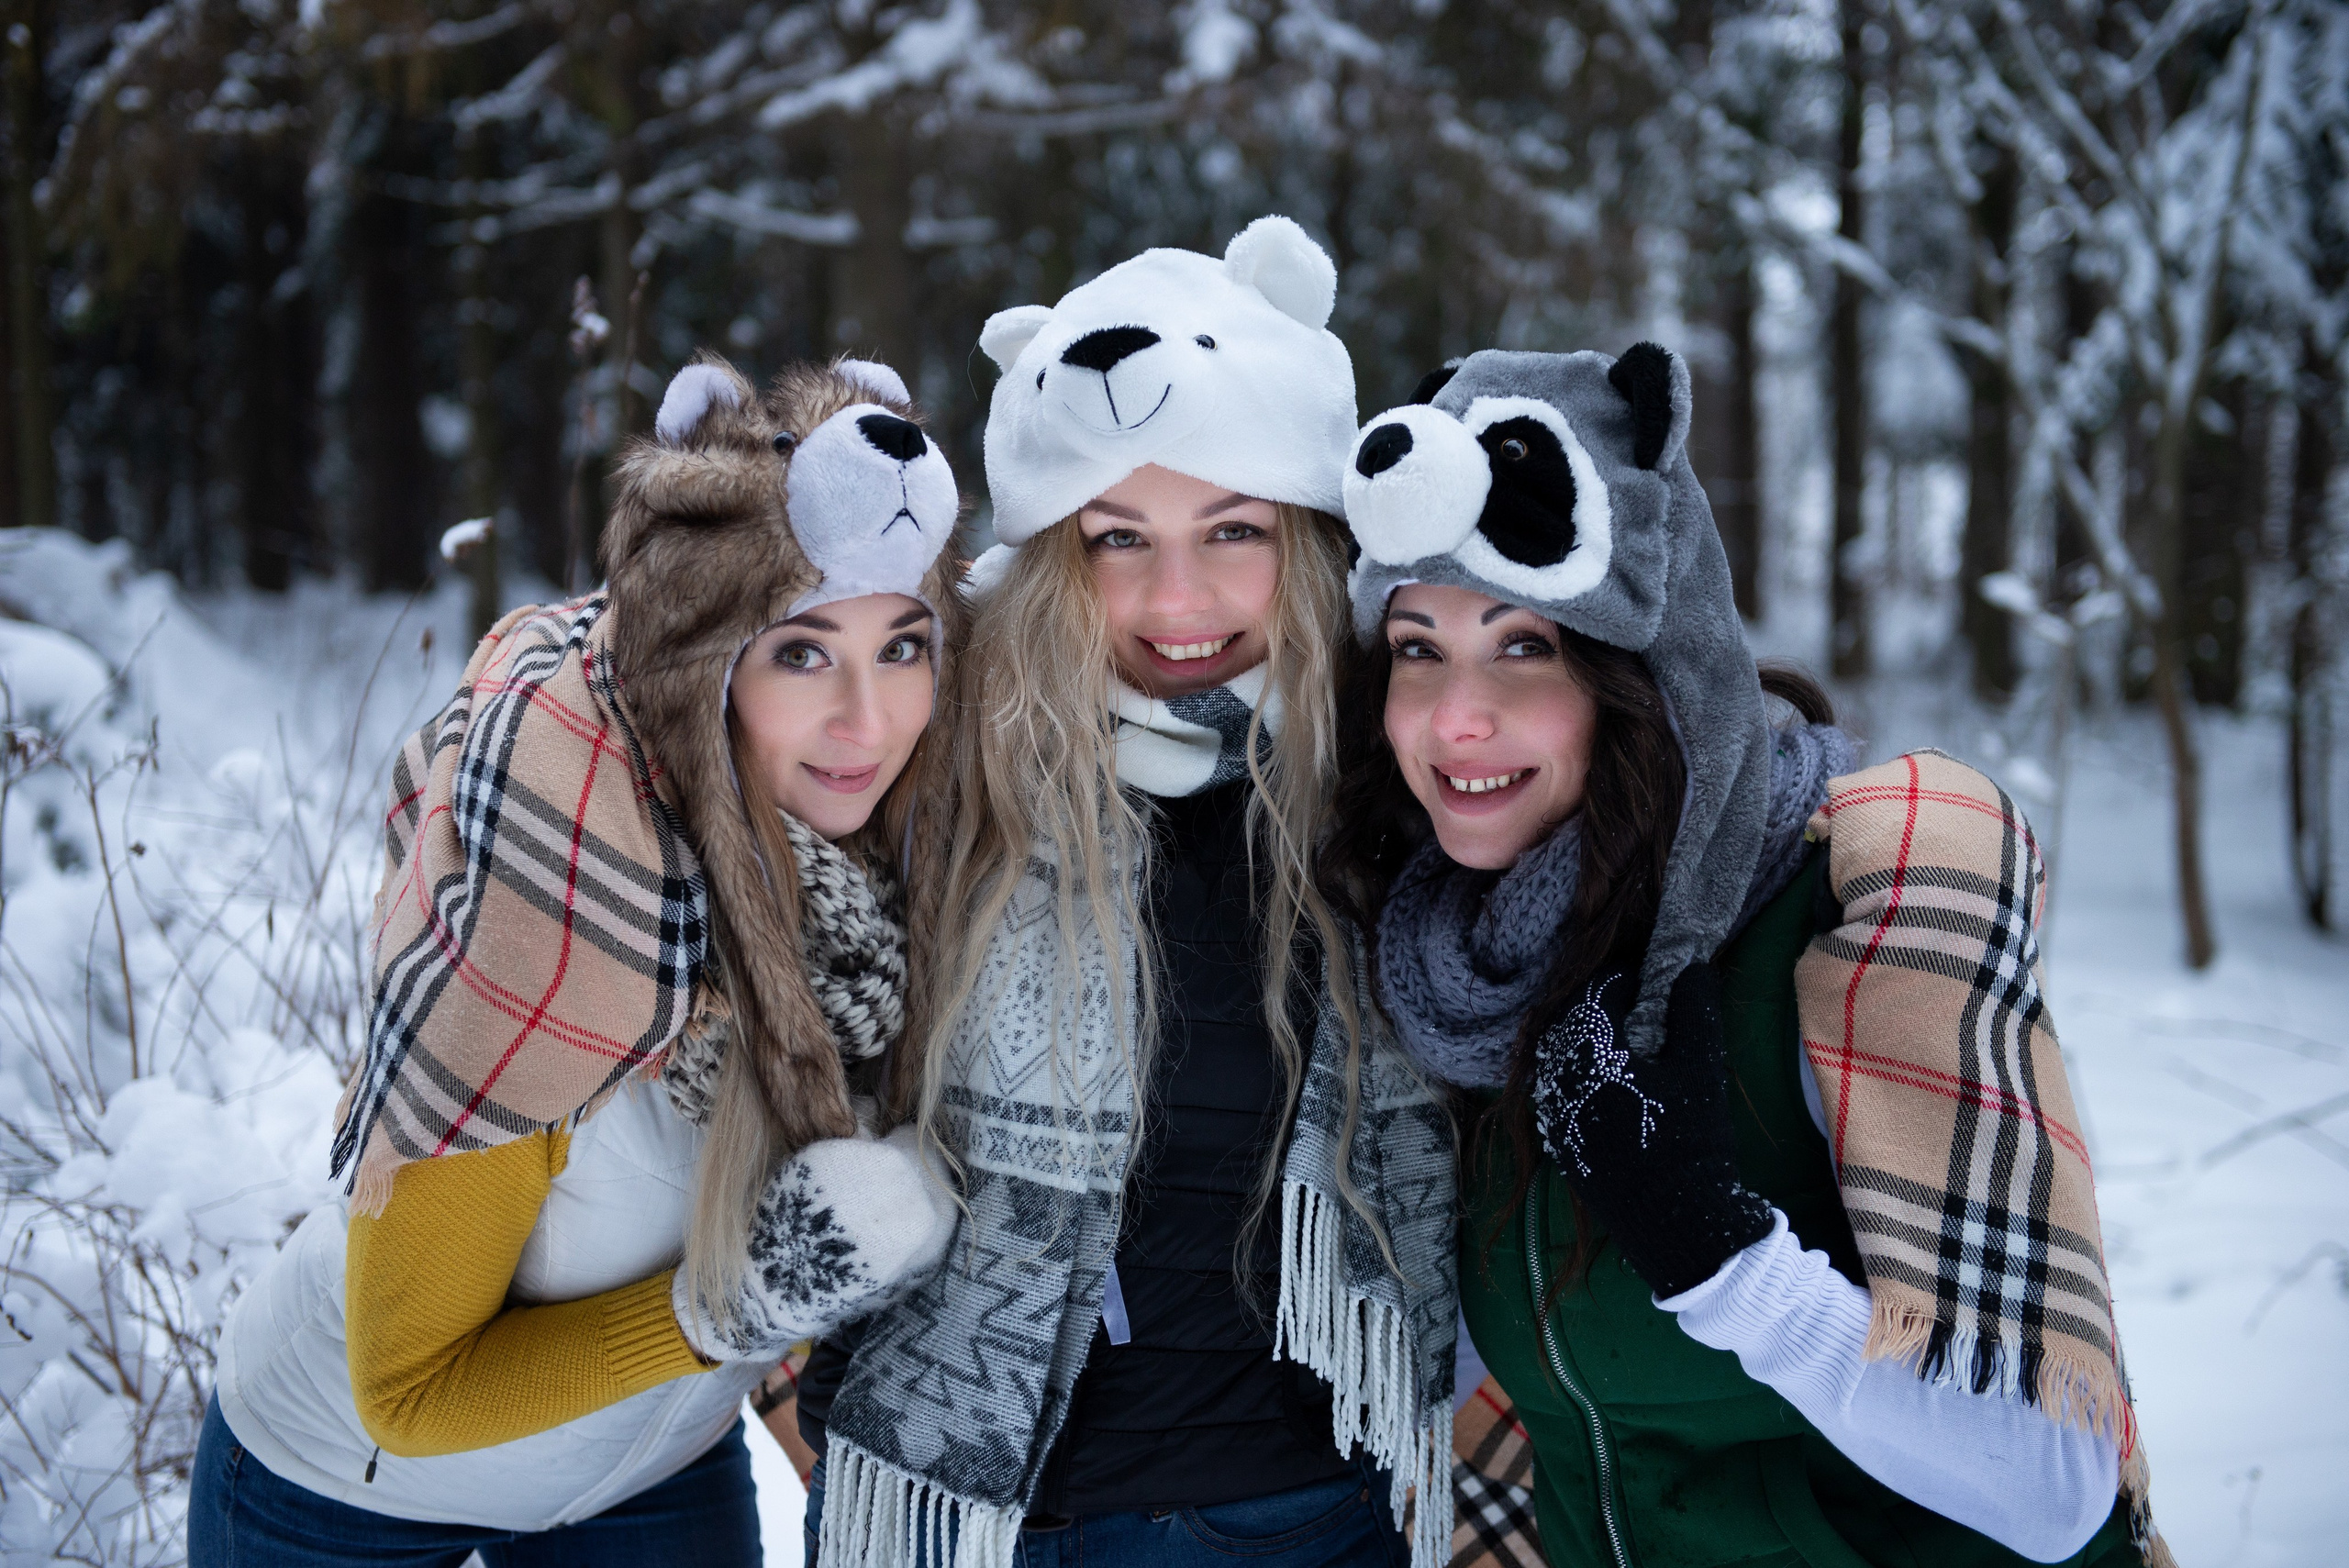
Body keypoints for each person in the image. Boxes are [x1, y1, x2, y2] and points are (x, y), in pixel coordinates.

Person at [1322, 343, 2173, 1568]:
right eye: (1418, 646)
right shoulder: (1451, 974)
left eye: (1526, 646)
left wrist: (1724, 1257)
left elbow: (2056, 1483)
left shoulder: (1844, 911)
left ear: (1647, 670)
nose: (1457, 718)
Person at [190, 355, 965, 1568]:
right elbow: (411, 1393)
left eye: (904, 646)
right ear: (702, 664)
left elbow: (787, 1197)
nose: (869, 720)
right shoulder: (557, 909)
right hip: (343, 1484)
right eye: (804, 653)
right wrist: (733, 1311)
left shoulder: (876, 893)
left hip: (642, 1470)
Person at [801, 217, 1459, 1568]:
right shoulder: (936, 757)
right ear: (1052, 549)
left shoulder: (1400, 775)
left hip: (1298, 1516)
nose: (1179, 597)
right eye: (1116, 537)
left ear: (1315, 532)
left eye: (1234, 527)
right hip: (958, 1516)